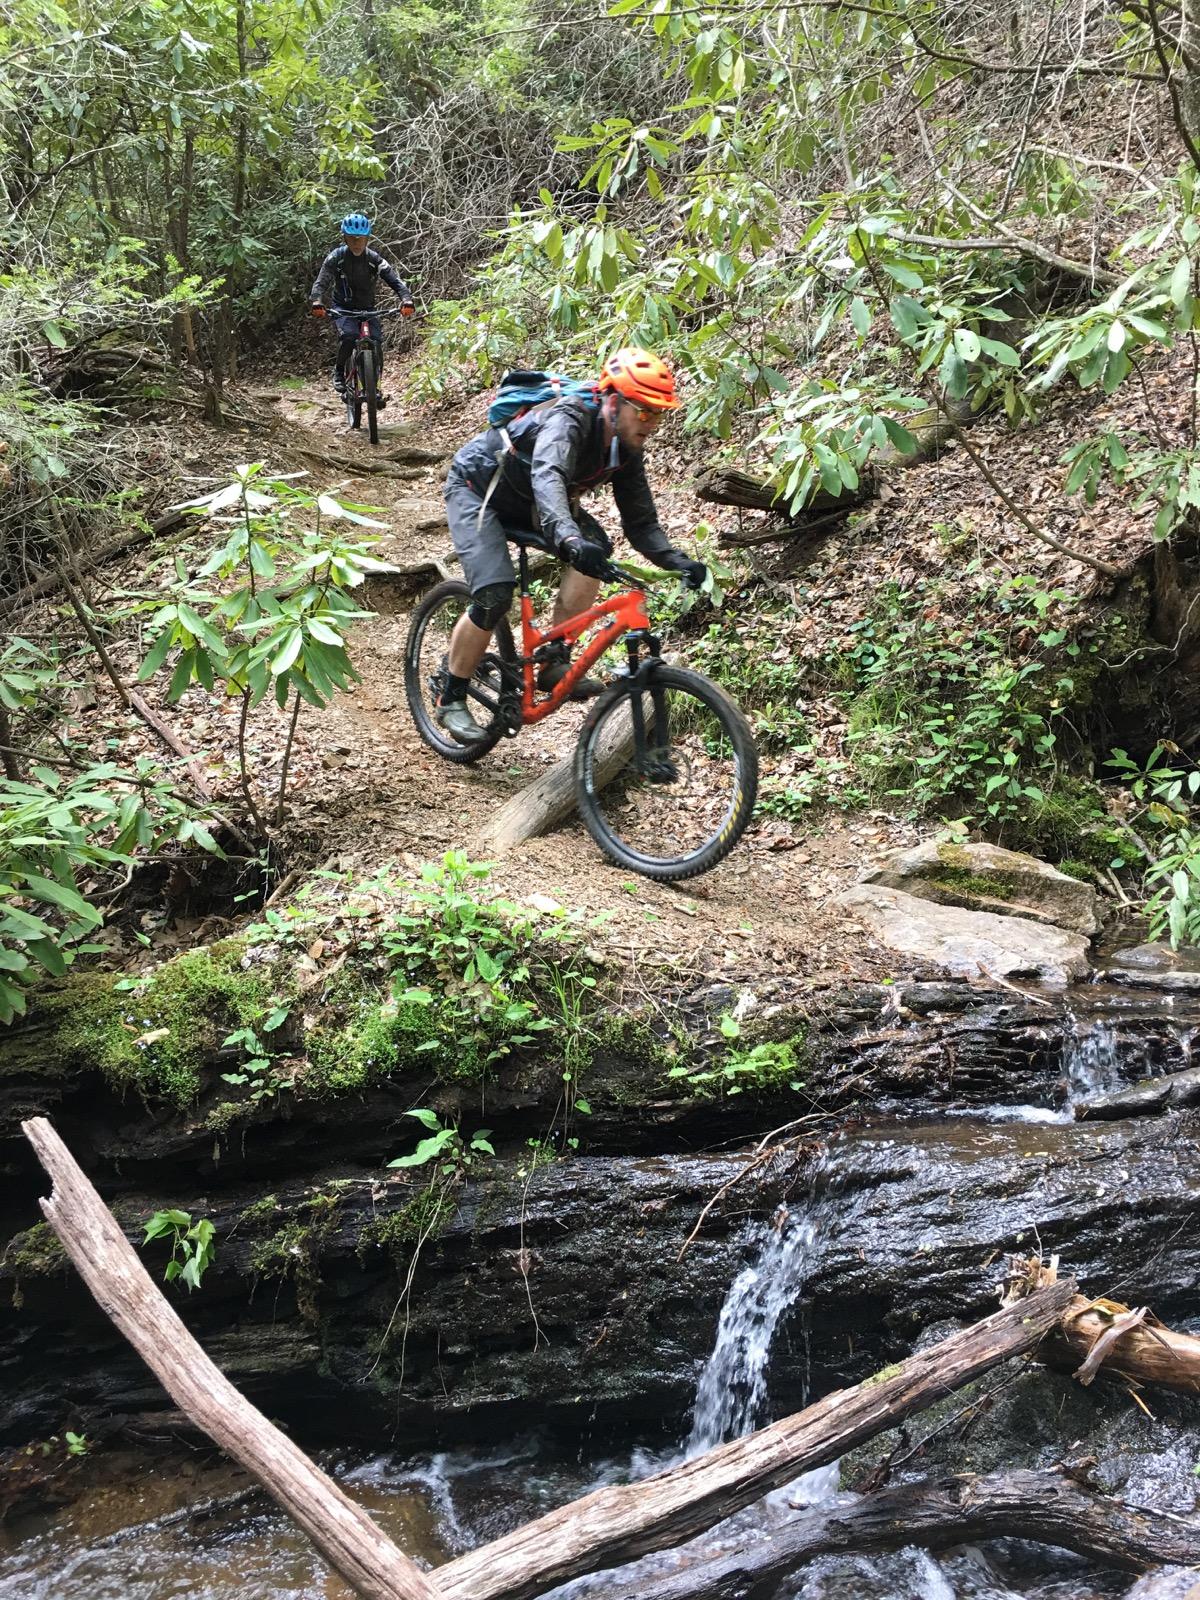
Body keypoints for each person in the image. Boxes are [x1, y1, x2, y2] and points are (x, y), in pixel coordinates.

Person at [437, 346, 707, 746]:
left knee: (596, 552)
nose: (652, 422)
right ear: (613, 400)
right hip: (479, 491)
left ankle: (553, 659)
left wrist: (678, 561)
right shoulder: (569, 418)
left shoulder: (626, 446)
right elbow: (548, 475)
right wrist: (567, 537)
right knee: (494, 594)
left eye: (660, 413)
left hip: (530, 503)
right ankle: (451, 694)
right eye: (645, 410)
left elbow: (641, 522)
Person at [310, 212, 413, 399]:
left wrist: (406, 299)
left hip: (368, 308)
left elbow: (395, 281)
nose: (357, 242)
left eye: (361, 238)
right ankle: (339, 372)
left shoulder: (374, 259)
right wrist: (317, 301)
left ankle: (375, 387)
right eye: (352, 238)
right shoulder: (336, 258)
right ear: (345, 238)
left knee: (376, 343)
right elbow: (321, 282)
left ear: (367, 238)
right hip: (343, 308)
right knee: (349, 336)